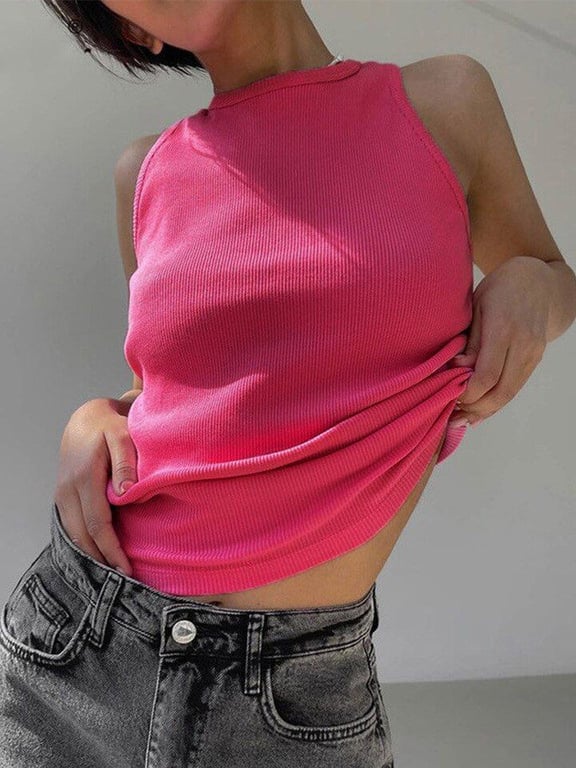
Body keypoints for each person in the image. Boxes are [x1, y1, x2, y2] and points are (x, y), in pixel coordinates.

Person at [1, 2, 574, 766]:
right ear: (135, 29)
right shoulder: (146, 173)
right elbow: (170, 397)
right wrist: (92, 418)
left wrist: (533, 283)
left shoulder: (444, 100)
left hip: (298, 690)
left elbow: (555, 275)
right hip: (82, 645)